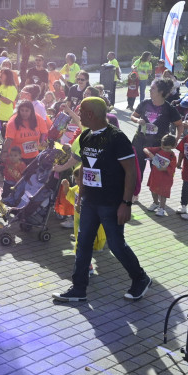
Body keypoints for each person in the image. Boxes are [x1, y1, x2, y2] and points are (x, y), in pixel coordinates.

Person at [53, 97, 151, 304]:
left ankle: (140, 278)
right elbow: (86, 169)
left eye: (81, 112)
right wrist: (81, 197)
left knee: (116, 245)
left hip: (112, 202)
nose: (78, 115)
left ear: (91, 114)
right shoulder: (86, 136)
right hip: (89, 201)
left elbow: (131, 172)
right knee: (83, 244)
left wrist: (126, 204)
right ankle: (79, 288)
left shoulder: (117, 138)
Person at [130, 78, 183, 192]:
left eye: (153, 88)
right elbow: (133, 116)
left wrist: (176, 140)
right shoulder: (145, 103)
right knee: (137, 169)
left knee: (157, 170)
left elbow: (180, 125)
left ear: (161, 92)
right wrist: (137, 120)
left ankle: (157, 198)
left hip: (158, 145)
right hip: (140, 141)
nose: (150, 90)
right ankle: (135, 194)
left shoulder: (169, 108)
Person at [144, 134, 178, 217]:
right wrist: (151, 154)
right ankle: (155, 203)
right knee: (153, 190)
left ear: (173, 147)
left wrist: (163, 168)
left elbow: (172, 168)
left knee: (163, 194)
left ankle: (162, 208)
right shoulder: (158, 149)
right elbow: (145, 149)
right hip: (155, 176)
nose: (165, 150)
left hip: (165, 179)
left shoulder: (172, 156)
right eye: (163, 147)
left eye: (167, 148)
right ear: (161, 144)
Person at [176, 116, 188, 220]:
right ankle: (183, 205)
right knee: (186, 186)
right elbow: (182, 151)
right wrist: (179, 162)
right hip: (187, 167)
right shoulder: (187, 137)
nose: (187, 129)